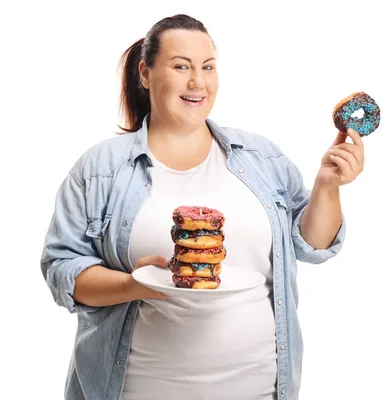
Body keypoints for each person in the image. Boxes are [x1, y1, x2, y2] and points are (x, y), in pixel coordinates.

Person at [40, 13, 364, 400]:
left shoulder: (260, 157)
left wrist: (328, 186)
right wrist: (131, 284)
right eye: (181, 67)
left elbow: (310, 245)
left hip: (259, 390)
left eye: (208, 67)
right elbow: (62, 268)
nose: (198, 82)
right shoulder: (100, 169)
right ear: (145, 73)